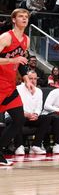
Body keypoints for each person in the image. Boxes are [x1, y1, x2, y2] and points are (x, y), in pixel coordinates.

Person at [0, 9, 30, 166]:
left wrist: (26, 79)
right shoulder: (6, 37)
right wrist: (13, 61)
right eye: (21, 16)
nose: (24, 19)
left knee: (19, 120)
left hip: (10, 86)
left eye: (26, 17)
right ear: (13, 19)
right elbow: (14, 60)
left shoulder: (26, 39)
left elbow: (21, 63)